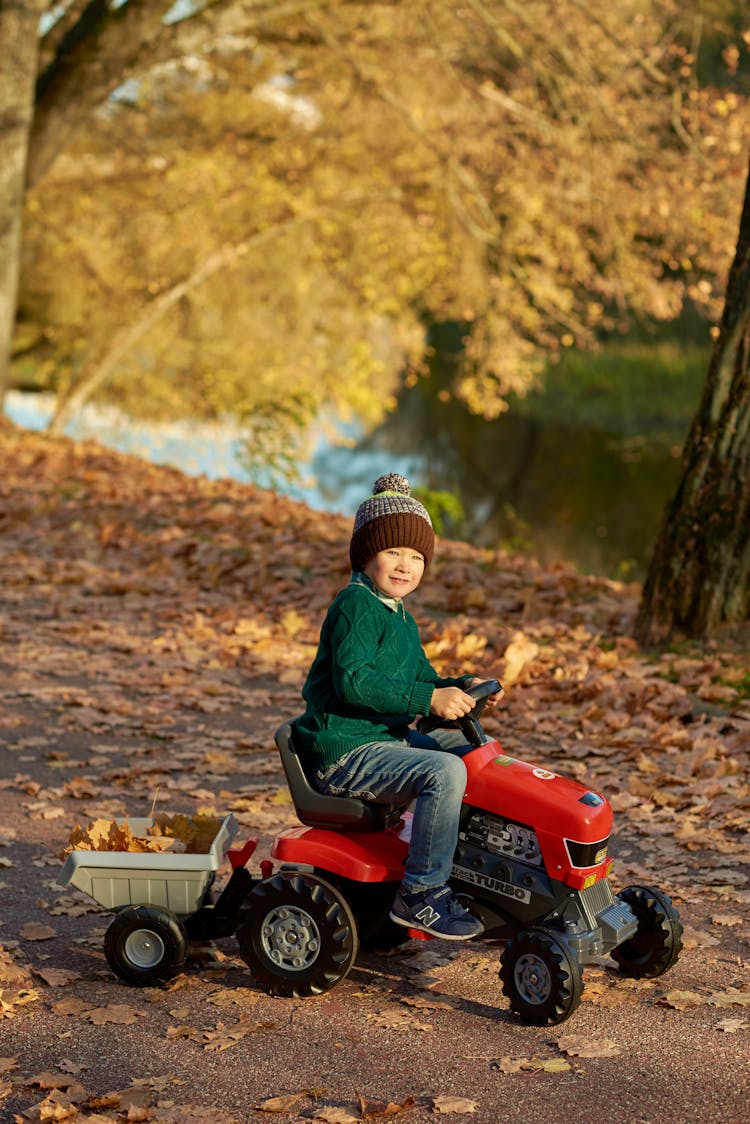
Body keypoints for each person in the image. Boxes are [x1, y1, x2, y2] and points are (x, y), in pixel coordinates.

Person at [294, 472, 501, 940]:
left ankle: (445, 856)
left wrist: (459, 686)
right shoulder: (355, 605)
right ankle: (422, 894)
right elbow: (355, 683)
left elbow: (420, 679)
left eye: (415, 556)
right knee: (443, 772)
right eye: (393, 552)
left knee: (460, 753)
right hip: (346, 750)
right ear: (367, 554)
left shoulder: (398, 614)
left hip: (381, 739)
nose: (405, 565)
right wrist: (428, 698)